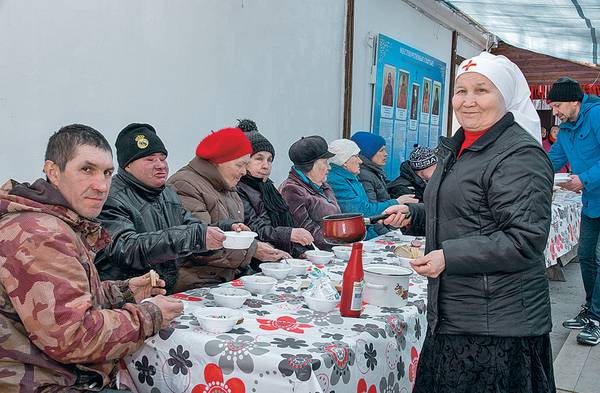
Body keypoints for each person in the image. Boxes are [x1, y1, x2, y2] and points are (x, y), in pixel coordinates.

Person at [395, 52, 555, 392]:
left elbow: (524, 240)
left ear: (505, 97)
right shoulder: (460, 148)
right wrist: (414, 215)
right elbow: (468, 214)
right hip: (456, 313)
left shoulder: (518, 155)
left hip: (498, 326)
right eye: (460, 90)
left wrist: (447, 257)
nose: (468, 102)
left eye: (481, 90)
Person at [0, 124, 183, 392]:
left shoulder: (55, 220)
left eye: (107, 173)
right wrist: (151, 315)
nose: (101, 186)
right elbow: (74, 338)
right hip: (44, 383)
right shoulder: (40, 233)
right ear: (53, 172)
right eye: (87, 170)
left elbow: (63, 298)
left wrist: (126, 292)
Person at [94, 123, 226, 294]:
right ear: (127, 165)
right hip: (124, 298)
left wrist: (224, 230)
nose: (161, 165)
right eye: (150, 160)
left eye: (163, 158)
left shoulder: (166, 193)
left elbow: (189, 225)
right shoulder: (111, 197)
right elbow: (126, 248)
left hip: (163, 293)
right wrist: (195, 236)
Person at [168, 127, 290, 291]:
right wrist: (253, 250)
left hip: (231, 277)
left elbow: (236, 232)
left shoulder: (228, 185)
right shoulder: (184, 185)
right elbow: (200, 243)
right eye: (240, 165)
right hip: (199, 282)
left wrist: (259, 246)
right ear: (219, 161)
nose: (244, 171)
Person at [547, 76, 600, 345]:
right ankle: (591, 308)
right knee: (587, 255)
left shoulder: (597, 115)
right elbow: (553, 160)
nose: (554, 111)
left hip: (592, 188)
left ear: (573, 101)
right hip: (592, 203)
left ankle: (597, 319)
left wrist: (585, 178)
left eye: (557, 105)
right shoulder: (566, 129)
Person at [236, 125, 314, 257]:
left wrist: (300, 253)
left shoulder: (268, 187)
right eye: (259, 158)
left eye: (269, 160)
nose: (266, 165)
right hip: (258, 259)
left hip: (282, 256)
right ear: (244, 160)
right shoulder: (238, 189)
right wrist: (289, 234)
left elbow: (285, 221)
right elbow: (254, 228)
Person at [327, 138, 414, 238]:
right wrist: (397, 203)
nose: (360, 161)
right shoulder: (336, 181)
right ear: (345, 161)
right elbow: (362, 211)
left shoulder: (350, 177)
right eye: (356, 156)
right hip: (352, 236)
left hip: (364, 233)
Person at [279, 136, 340, 250]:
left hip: (332, 248)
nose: (329, 167)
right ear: (311, 165)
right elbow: (308, 231)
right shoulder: (291, 190)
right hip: (311, 255)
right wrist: (341, 242)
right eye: (325, 162)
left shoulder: (323, 185)